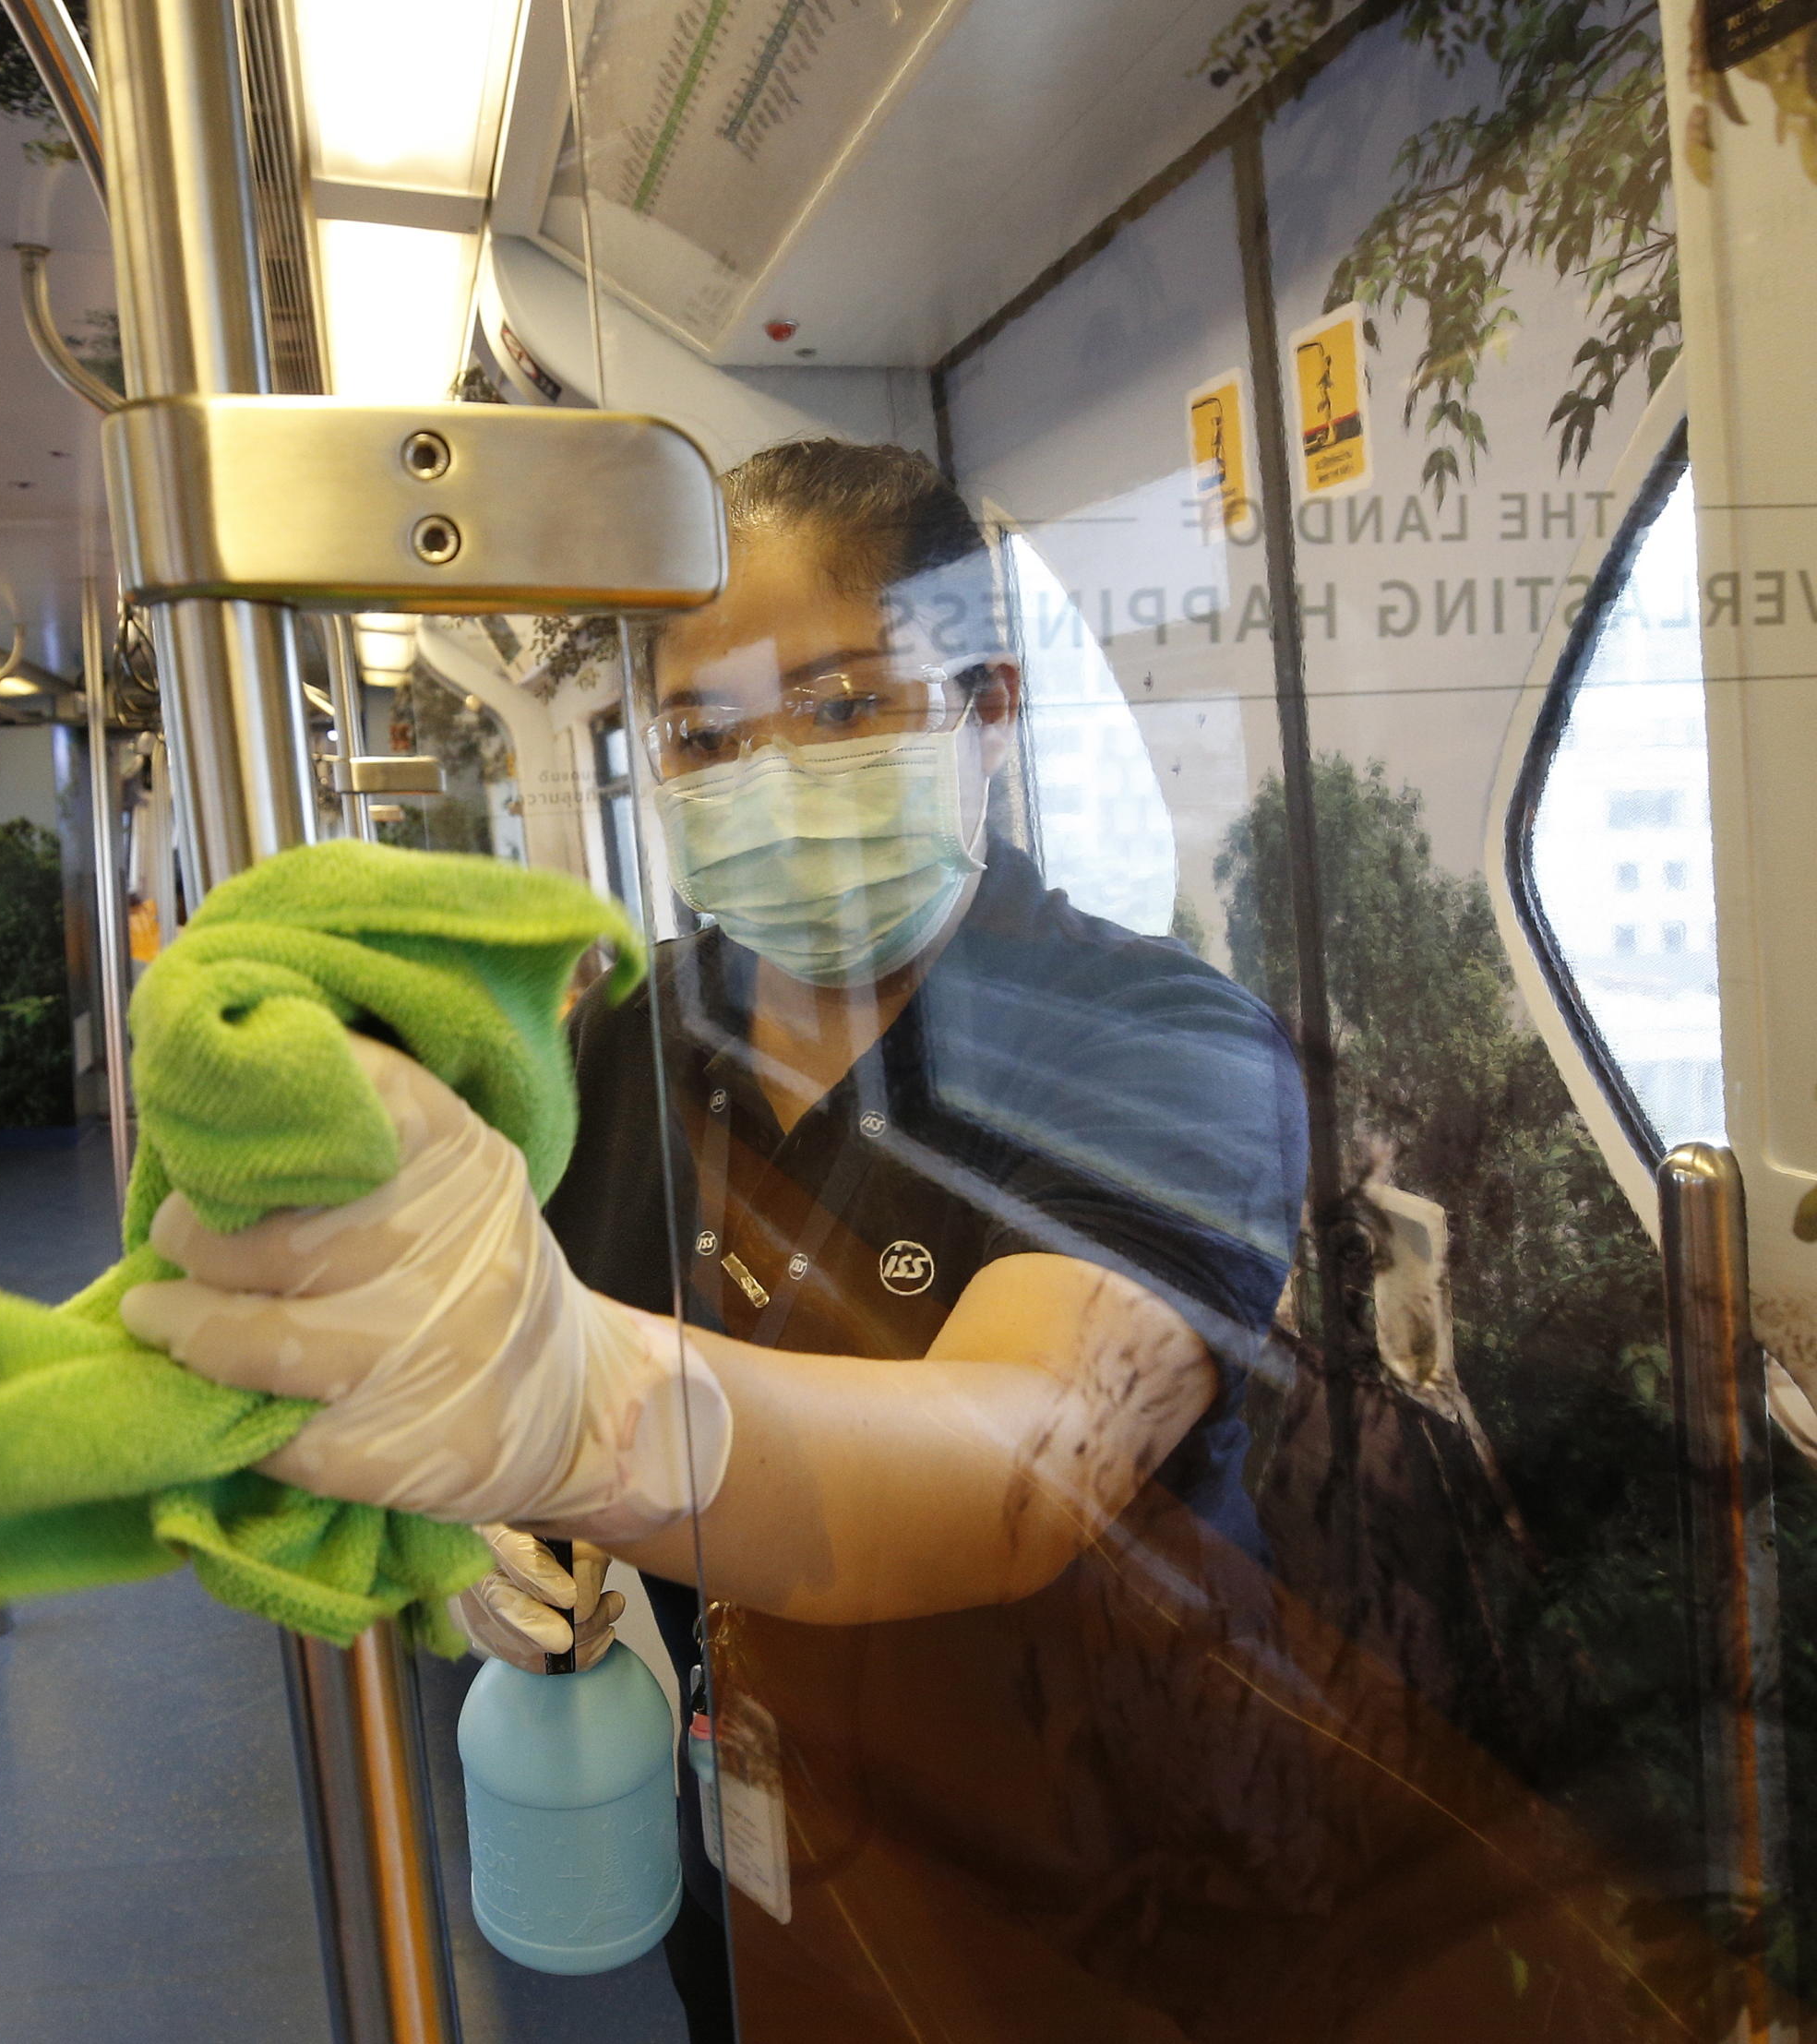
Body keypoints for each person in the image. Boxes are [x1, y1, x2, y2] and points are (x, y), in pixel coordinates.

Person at [118, 445, 1715, 2041]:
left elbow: (1013, 1468)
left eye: (839, 705)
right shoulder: (610, 1043)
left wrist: (575, 1414)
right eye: (699, 733)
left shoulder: (1160, 1049)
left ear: (990, 707)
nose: (767, 772)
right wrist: (496, 1537)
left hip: (1099, 1909)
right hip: (757, 1869)